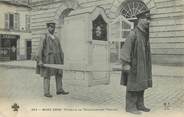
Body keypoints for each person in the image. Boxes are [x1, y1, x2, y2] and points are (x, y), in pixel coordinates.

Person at [120, 10, 152, 114]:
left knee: (142, 84)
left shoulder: (144, 35)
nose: (148, 22)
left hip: (143, 65)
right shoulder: (133, 34)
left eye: (149, 19)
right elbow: (126, 49)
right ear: (140, 20)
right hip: (133, 66)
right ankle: (130, 107)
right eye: (146, 19)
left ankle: (140, 105)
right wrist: (126, 64)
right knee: (133, 85)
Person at [36, 22, 69, 98]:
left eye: (54, 27)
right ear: (47, 28)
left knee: (59, 73)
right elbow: (40, 49)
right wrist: (40, 60)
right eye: (51, 27)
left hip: (57, 59)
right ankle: (46, 92)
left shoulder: (56, 38)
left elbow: (60, 49)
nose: (53, 28)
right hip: (48, 59)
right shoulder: (44, 37)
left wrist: (63, 59)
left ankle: (59, 89)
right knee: (47, 75)